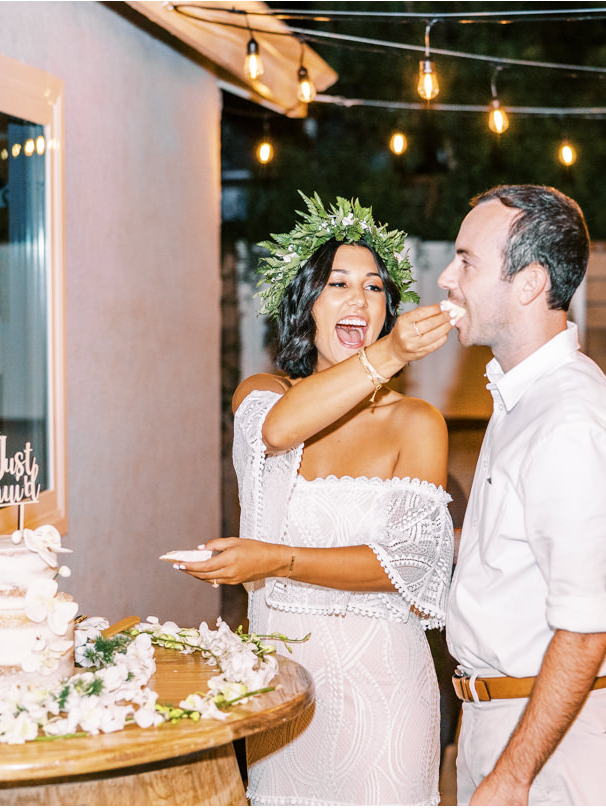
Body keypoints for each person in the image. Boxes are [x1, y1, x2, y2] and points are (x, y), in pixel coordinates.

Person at [175, 192, 456, 805]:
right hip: (284, 690)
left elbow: (407, 567)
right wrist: (392, 355)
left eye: (376, 287)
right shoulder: (264, 394)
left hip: (385, 694)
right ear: (306, 304)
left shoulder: (417, 422)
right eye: (338, 283)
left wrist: (276, 560)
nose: (360, 298)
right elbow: (279, 431)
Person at [438, 185, 606, 806]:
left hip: (549, 741)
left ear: (530, 283)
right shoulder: (525, 398)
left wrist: (512, 775)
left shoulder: (568, 422)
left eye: (467, 261)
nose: (447, 277)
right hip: (511, 718)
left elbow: (586, 628)